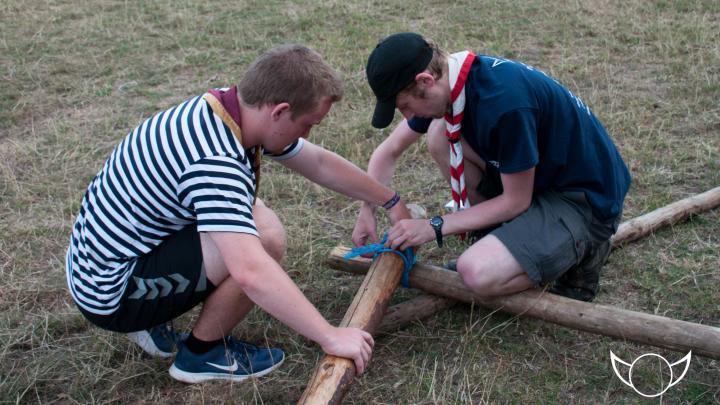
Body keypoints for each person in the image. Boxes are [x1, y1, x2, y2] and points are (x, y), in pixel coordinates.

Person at [66, 44, 410, 384]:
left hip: (98, 264)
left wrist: (390, 201)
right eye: (307, 124)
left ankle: (156, 320)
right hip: (111, 293)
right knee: (265, 237)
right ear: (279, 111)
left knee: (249, 217)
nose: (307, 134)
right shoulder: (215, 160)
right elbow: (250, 271)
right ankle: (201, 354)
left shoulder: (226, 111)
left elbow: (318, 163)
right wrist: (329, 335)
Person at [353, 32, 631, 303]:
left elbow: (516, 201)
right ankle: (500, 237)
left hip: (583, 200)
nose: (408, 116)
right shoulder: (456, 81)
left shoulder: (503, 103)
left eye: (405, 107)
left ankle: (584, 253)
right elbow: (387, 153)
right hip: (541, 180)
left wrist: (434, 226)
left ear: (425, 81)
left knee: (476, 273)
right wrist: (368, 209)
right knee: (440, 134)